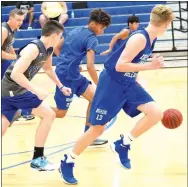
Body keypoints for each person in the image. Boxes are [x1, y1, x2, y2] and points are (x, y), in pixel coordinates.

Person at [59, 4, 174, 184]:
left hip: (127, 83)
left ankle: (123, 144)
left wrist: (141, 72)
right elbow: (120, 65)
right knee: (97, 129)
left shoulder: (151, 38)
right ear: (166, 24)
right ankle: (68, 160)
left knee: (155, 113)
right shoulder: (140, 38)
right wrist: (149, 66)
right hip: (112, 83)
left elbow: (132, 61)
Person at [2, 20, 71, 171]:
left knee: (3, 126)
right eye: (60, 36)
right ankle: (38, 159)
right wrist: (35, 90)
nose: (61, 39)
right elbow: (15, 73)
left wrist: (61, 86)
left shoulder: (48, 49)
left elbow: (48, 69)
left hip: (8, 91)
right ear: (54, 35)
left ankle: (38, 159)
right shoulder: (33, 49)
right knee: (49, 115)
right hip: (14, 89)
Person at [52, 9, 111, 148]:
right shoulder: (92, 39)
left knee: (95, 98)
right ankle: (29, 108)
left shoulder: (75, 30)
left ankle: (88, 137)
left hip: (73, 74)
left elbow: (56, 47)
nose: (102, 31)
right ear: (93, 24)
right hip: (66, 77)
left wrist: (70, 63)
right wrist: (100, 84)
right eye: (102, 28)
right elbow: (90, 66)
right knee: (61, 113)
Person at [1, 8, 35, 121]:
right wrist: (14, 57)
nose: (20, 22)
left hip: (3, 62)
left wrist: (14, 56)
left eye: (22, 20)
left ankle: (20, 111)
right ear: (10, 18)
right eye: (18, 20)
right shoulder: (3, 30)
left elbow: (8, 44)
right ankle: (21, 111)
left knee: (15, 84)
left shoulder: (12, 29)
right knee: (14, 84)